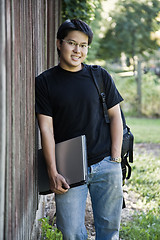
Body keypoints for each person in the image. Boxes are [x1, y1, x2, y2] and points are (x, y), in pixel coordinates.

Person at [35, 19, 123, 240]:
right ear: (59, 43)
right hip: (68, 170)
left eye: (83, 45)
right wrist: (52, 171)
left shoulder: (100, 76)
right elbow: (46, 129)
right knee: (71, 232)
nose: (77, 50)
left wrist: (115, 158)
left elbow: (116, 116)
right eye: (72, 43)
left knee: (109, 230)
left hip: (105, 163)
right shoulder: (45, 82)